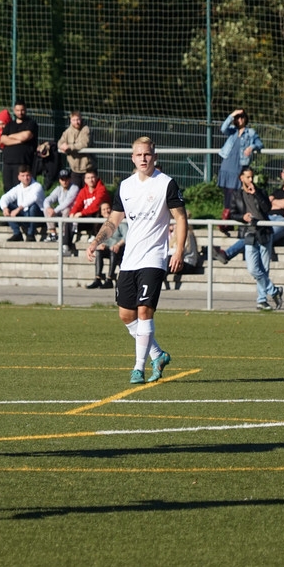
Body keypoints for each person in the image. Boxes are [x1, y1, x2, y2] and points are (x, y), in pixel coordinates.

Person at [86, 137, 186, 384]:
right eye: (139, 155)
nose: (143, 158)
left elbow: (180, 218)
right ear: (132, 158)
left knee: (144, 311)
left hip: (154, 257)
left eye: (147, 154)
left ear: (155, 156)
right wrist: (96, 241)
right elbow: (114, 220)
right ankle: (158, 355)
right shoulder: (126, 186)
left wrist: (178, 251)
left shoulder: (166, 184)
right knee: (126, 315)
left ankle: (138, 368)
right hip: (130, 259)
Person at [214, 165, 284, 264]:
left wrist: (274, 201)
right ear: (282, 174)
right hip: (269, 218)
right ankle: (227, 254)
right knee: (258, 235)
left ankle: (227, 254)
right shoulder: (276, 191)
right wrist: (277, 203)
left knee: (264, 235)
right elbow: (268, 204)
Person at [230, 167, 283, 311]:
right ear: (241, 178)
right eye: (248, 177)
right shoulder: (236, 195)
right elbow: (232, 214)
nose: (250, 180)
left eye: (252, 177)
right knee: (253, 269)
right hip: (249, 234)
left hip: (264, 233)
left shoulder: (260, 192)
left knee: (264, 269)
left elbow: (267, 208)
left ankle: (262, 300)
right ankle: (274, 291)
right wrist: (243, 217)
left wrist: (256, 194)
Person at [217, 109, 262, 229]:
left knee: (235, 193)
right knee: (227, 193)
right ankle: (227, 220)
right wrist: (232, 114)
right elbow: (223, 128)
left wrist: (252, 147)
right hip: (227, 164)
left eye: (242, 117)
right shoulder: (232, 131)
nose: (240, 120)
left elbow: (259, 144)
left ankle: (229, 219)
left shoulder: (250, 132)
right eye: (237, 118)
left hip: (239, 165)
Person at [66, 168, 110, 256]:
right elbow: (77, 204)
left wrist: (81, 213)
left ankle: (94, 236)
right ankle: (66, 246)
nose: (91, 180)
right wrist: (72, 213)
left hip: (98, 220)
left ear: (96, 178)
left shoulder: (102, 189)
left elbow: (96, 205)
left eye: (92, 177)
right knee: (69, 221)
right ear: (85, 180)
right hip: (86, 219)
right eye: (88, 178)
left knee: (97, 213)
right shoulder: (83, 191)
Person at [0, 102, 38, 194]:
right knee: (8, 190)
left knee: (22, 190)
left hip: (23, 163)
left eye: (22, 110)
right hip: (8, 163)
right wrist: (19, 140)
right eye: (18, 110)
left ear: (25, 110)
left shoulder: (31, 123)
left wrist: (10, 136)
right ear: (14, 111)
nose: (20, 112)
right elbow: (3, 139)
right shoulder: (9, 125)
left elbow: (26, 136)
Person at [0, 165, 45, 242]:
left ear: (31, 175)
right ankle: (17, 233)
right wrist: (5, 208)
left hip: (38, 217)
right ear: (19, 177)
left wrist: (18, 209)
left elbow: (33, 198)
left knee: (33, 206)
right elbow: (4, 198)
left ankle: (31, 234)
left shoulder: (37, 186)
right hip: (24, 215)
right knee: (7, 206)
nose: (25, 178)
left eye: (27, 175)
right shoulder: (18, 188)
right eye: (23, 176)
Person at [86, 201, 126, 290]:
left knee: (113, 251)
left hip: (119, 248)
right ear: (100, 212)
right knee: (99, 251)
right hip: (107, 248)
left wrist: (118, 245)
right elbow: (96, 238)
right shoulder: (99, 224)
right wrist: (99, 245)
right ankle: (97, 278)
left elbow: (126, 236)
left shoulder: (119, 221)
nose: (106, 211)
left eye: (108, 208)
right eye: (103, 209)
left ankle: (109, 279)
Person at [57, 111, 94, 187]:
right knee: (74, 191)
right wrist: (62, 146)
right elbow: (60, 143)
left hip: (88, 169)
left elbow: (84, 144)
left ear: (81, 119)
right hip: (74, 169)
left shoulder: (86, 129)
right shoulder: (67, 132)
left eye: (78, 119)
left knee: (88, 191)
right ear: (70, 120)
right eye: (74, 120)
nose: (76, 122)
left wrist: (69, 147)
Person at [43, 168, 79, 243]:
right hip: (60, 211)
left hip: (72, 212)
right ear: (59, 180)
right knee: (46, 210)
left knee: (66, 210)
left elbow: (67, 203)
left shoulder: (74, 188)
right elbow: (48, 199)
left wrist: (55, 211)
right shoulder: (58, 189)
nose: (64, 181)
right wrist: (48, 207)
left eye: (66, 179)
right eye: (62, 179)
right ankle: (53, 234)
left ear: (70, 179)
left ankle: (63, 233)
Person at [167, 217, 202, 290]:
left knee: (167, 260)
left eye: (174, 224)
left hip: (188, 264)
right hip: (185, 262)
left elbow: (180, 251)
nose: (173, 227)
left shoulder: (186, 234)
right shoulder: (179, 234)